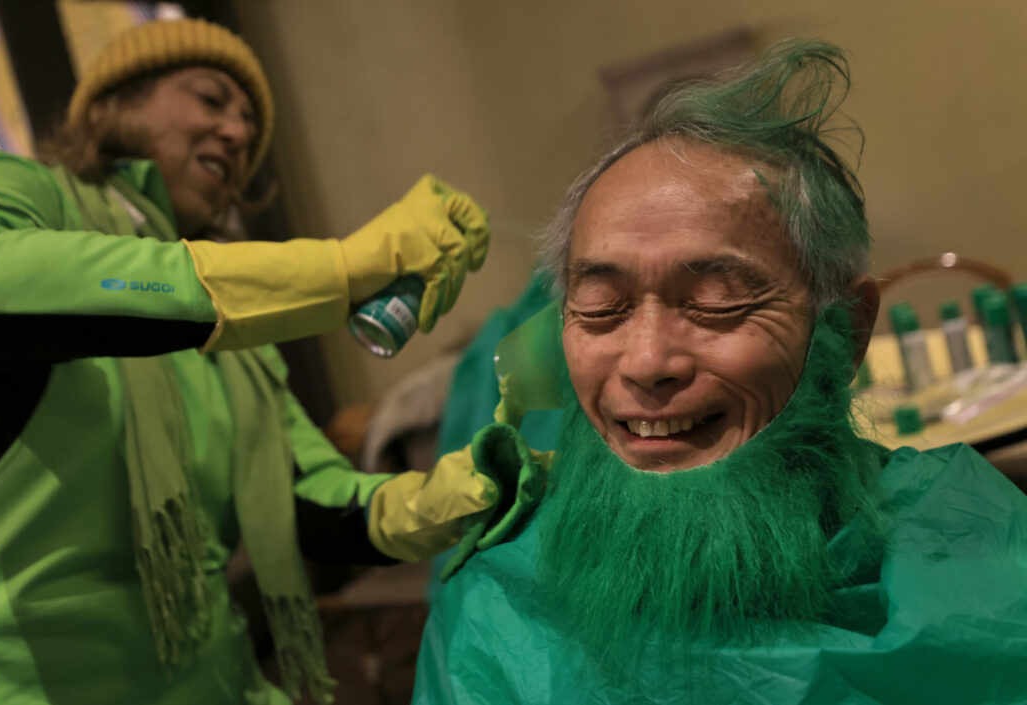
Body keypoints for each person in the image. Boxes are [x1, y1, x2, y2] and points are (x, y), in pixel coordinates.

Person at [0, 17, 503, 705]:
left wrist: (457, 494)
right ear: (113, 105)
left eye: (248, 127)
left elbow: (305, 498)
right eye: (209, 99)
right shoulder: (25, 197)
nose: (236, 134)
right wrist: (339, 268)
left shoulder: (234, 340)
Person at [412, 39, 1027, 704]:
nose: (647, 362)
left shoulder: (978, 565)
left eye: (716, 304)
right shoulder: (495, 613)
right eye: (600, 306)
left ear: (845, 330)